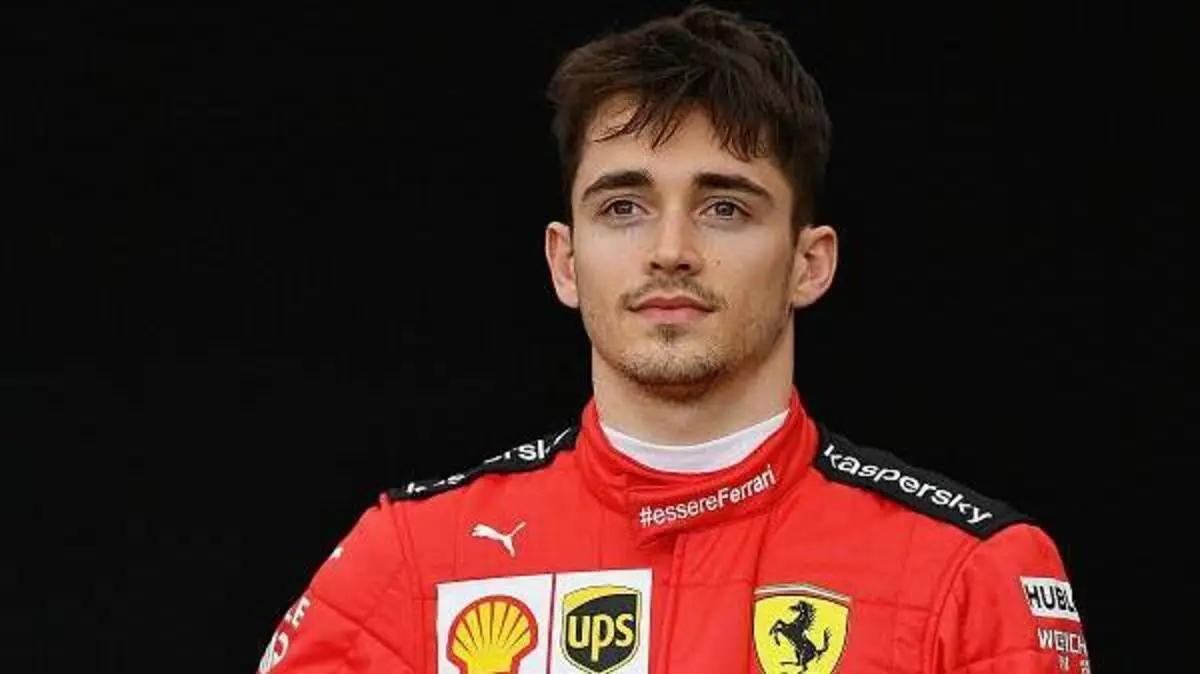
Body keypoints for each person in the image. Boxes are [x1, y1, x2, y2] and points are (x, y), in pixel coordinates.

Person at [255, 5, 1090, 673]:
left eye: (724, 207)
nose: (670, 249)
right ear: (564, 260)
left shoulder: (971, 572)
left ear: (809, 263)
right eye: (623, 206)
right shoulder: (410, 560)